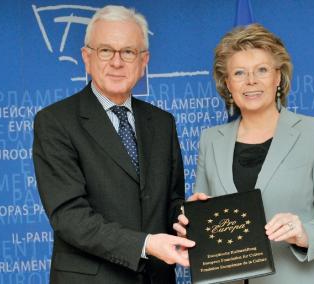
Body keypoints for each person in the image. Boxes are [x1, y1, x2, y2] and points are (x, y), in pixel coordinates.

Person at [173, 24, 314, 283]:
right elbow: (204, 219)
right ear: (228, 84)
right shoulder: (210, 140)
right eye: (239, 73)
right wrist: (190, 230)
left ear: (278, 77)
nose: (251, 81)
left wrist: (303, 233)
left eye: (262, 70)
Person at [33, 5, 194, 283]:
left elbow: (169, 202)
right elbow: (70, 218)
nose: (117, 62)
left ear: (144, 61)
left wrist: (191, 215)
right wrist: (145, 245)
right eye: (106, 50)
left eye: (128, 52)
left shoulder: (162, 122)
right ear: (86, 57)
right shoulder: (55, 122)